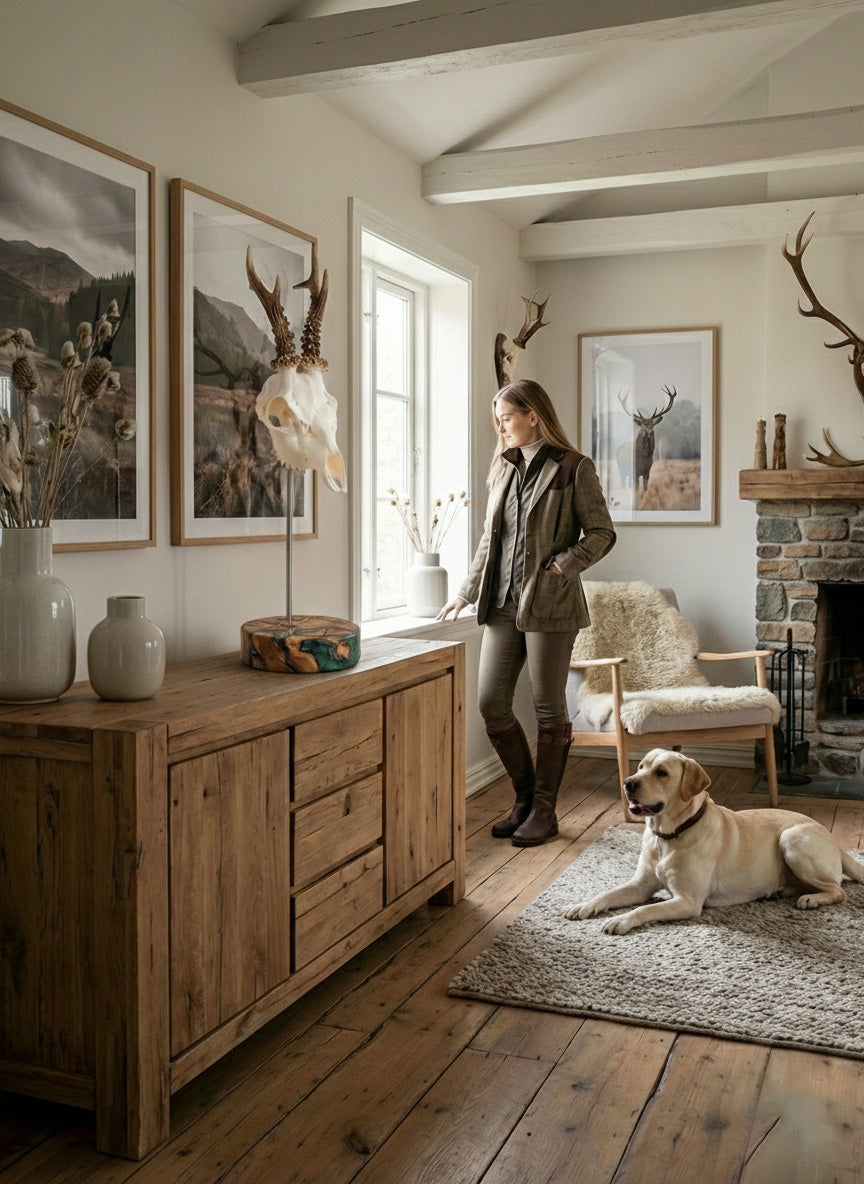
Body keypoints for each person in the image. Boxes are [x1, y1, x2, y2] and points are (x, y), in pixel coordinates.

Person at [437, 378, 616, 846]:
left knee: (547, 708)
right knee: (491, 703)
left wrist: (563, 564)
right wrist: (466, 591)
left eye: (507, 418)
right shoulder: (501, 468)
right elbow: (488, 539)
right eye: (498, 421)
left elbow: (601, 533)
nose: (502, 428)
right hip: (500, 604)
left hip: (551, 605)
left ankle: (545, 809)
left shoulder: (573, 468)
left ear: (532, 414)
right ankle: (522, 798)